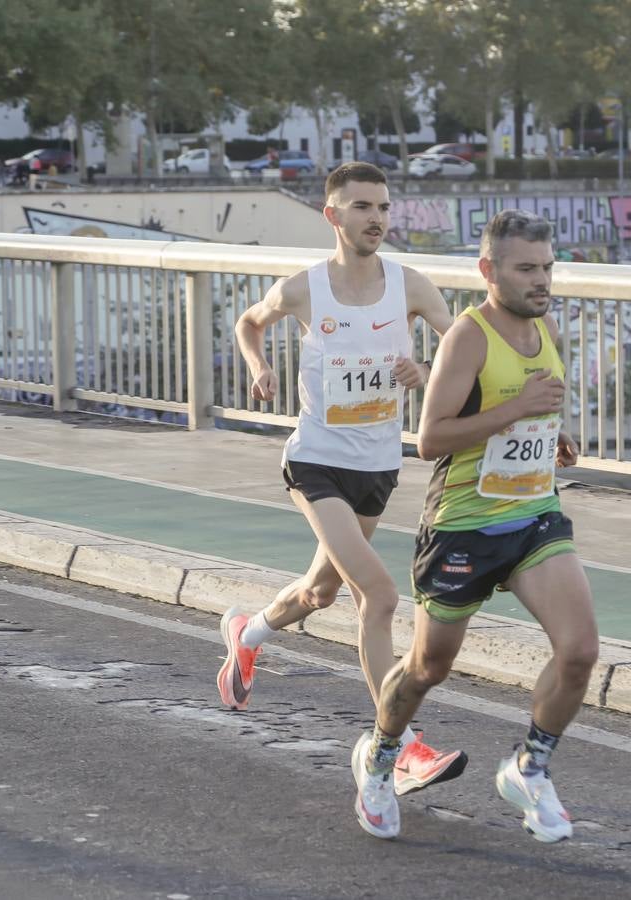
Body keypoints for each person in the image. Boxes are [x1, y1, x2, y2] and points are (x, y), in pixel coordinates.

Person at [219, 161, 466, 796]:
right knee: (378, 597)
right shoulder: (305, 288)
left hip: (378, 467)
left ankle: (246, 634)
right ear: (333, 216)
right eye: (361, 207)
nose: (376, 218)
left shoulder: (411, 284)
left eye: (383, 206)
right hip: (316, 462)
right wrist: (258, 366)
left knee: (319, 593)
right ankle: (401, 745)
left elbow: (467, 350)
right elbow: (250, 322)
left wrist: (428, 369)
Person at [351, 209, 599, 843]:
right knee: (427, 667)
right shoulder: (468, 335)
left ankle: (530, 767)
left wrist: (548, 433)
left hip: (532, 518)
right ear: (489, 270)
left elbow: (515, 413)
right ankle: (381, 759)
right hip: (462, 528)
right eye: (526, 270)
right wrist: (518, 408)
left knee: (579, 652)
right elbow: (432, 439)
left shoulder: (543, 330)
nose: (541, 282)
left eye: (547, 268)